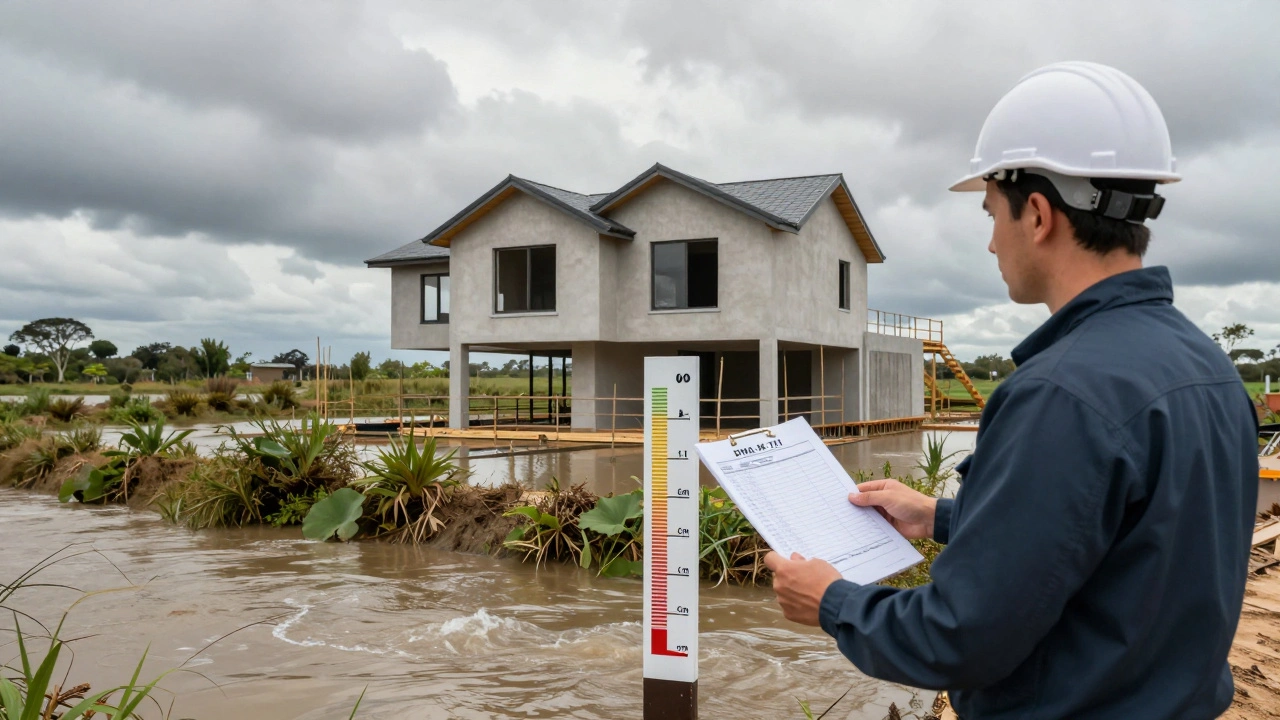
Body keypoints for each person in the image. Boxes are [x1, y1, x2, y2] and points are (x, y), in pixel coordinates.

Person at [764, 61, 1259, 719]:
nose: (992, 241)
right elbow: (1122, 542)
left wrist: (832, 601)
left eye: (991, 212)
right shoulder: (1208, 367)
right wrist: (940, 516)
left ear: (1037, 214)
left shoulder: (1062, 394)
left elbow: (959, 636)